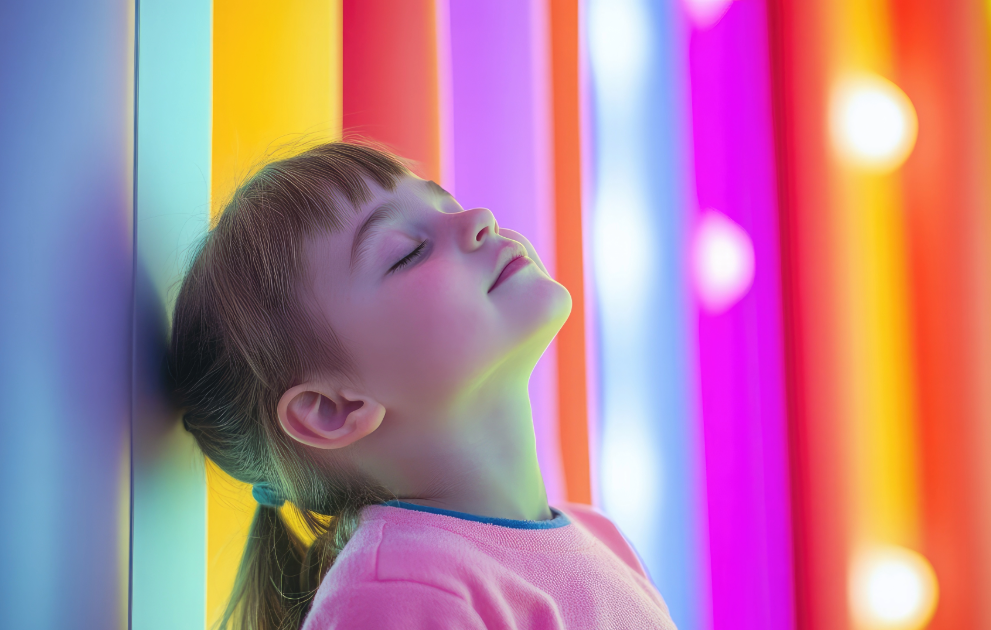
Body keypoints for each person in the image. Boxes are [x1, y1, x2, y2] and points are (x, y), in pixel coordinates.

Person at [169, 141, 676, 630]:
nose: (478, 218)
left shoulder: (600, 537)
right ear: (331, 409)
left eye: (448, 203)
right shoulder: (400, 592)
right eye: (408, 252)